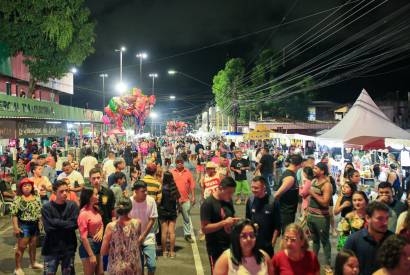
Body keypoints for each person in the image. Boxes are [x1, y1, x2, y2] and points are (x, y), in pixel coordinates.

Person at [344, 201, 394, 275]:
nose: (385, 223)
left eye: (386, 218)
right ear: (367, 218)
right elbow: (344, 266)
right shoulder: (354, 240)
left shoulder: (393, 240)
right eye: (380, 218)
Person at [201, 176, 239, 272]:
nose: (231, 196)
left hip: (230, 245)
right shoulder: (208, 204)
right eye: (229, 192)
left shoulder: (228, 200)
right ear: (221, 188)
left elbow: (232, 215)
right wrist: (224, 223)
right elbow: (205, 228)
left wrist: (236, 222)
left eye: (233, 193)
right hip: (215, 248)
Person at [41, 179, 79, 275]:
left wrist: (54, 222)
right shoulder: (47, 208)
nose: (65, 193)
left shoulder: (72, 205)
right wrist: (66, 224)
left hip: (68, 247)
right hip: (50, 248)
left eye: (67, 190)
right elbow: (48, 229)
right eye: (61, 191)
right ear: (54, 193)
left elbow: (74, 225)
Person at [101, 197, 143, 275]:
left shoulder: (111, 226)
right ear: (130, 208)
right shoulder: (137, 223)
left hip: (116, 267)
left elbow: (103, 251)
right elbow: (138, 241)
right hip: (134, 266)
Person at [11, 178, 43, 275]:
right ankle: (17, 268)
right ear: (21, 188)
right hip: (24, 225)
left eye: (29, 185)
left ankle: (33, 263)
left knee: (33, 246)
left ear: (32, 187)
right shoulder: (18, 198)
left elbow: (39, 210)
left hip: (35, 225)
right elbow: (14, 214)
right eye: (24, 186)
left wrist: (40, 221)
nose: (27, 187)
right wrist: (16, 227)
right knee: (21, 247)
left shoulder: (36, 196)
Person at [245, 176, 281, 257]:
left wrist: (273, 243)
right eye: (252, 187)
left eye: (256, 188)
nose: (253, 190)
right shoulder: (250, 200)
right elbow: (247, 220)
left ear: (264, 187)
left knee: (268, 267)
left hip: (267, 244)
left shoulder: (273, 202)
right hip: (253, 243)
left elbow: (277, 225)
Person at [307, 161, 333, 266]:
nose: (313, 170)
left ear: (322, 171)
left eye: (316, 168)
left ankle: (328, 264)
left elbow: (325, 203)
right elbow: (310, 199)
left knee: (325, 241)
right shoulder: (313, 181)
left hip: (321, 218)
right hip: (311, 216)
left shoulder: (327, 185)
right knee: (315, 240)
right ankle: (313, 262)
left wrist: (313, 193)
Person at [129, 181, 158, 275]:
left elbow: (152, 219)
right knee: (139, 266)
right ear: (136, 191)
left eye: (146, 191)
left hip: (148, 235)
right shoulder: (129, 202)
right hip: (133, 237)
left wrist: (143, 236)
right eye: (143, 191)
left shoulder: (151, 201)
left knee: (152, 265)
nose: (146, 193)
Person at [77, 187, 104, 275]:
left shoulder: (95, 208)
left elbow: (101, 223)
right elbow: (83, 237)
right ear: (89, 197)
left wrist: (101, 232)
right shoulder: (84, 213)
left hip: (98, 245)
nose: (98, 196)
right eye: (95, 194)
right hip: (89, 246)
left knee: (100, 273)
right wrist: (91, 255)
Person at [274, 154, 303, 232]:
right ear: (300, 164)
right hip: (286, 212)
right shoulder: (290, 178)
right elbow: (276, 195)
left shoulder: (291, 173)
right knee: (286, 234)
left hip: (288, 210)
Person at [171, 156, 196, 243]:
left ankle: (187, 235)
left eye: (181, 162)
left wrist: (193, 196)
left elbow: (192, 185)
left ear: (183, 163)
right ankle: (171, 235)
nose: (179, 163)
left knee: (186, 218)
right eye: (178, 162)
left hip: (185, 200)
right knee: (173, 218)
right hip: (174, 200)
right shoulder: (172, 172)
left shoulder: (188, 172)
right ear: (175, 163)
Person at [158, 172, 180, 258]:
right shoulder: (174, 188)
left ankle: (164, 252)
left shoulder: (162, 188)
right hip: (172, 211)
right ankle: (171, 252)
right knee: (172, 232)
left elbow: (159, 201)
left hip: (163, 211)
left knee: (164, 232)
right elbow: (178, 201)